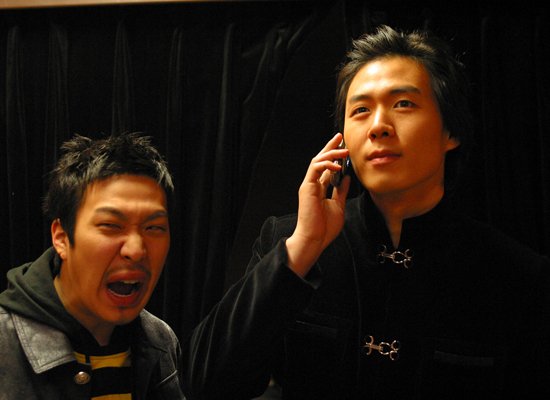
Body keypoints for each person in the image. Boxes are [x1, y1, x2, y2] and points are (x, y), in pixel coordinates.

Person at [181, 25, 550, 399]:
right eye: (360, 110)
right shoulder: (290, 242)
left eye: (403, 104)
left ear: (450, 131)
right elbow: (202, 383)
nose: (378, 127)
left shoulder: (515, 275)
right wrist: (302, 247)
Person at [0, 132, 185, 399]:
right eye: (110, 225)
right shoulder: (6, 345)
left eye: (154, 227)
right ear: (61, 238)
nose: (136, 250)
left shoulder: (160, 340)